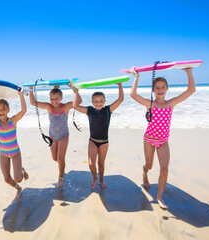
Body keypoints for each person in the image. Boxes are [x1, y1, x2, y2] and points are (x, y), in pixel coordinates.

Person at [130, 67, 196, 209]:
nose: (160, 90)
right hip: (149, 139)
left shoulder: (170, 104)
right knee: (149, 165)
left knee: (164, 170)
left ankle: (159, 197)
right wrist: (137, 76)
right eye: (157, 87)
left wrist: (189, 72)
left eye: (163, 87)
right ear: (153, 90)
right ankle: (144, 173)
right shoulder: (150, 104)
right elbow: (134, 95)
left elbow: (190, 91)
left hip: (163, 142)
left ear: (167, 89)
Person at [72, 82, 124, 189]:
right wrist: (76, 92)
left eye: (101, 101)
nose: (98, 103)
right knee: (91, 164)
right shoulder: (89, 110)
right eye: (95, 101)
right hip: (92, 141)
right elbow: (75, 106)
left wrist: (119, 85)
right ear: (92, 102)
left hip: (104, 142)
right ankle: (94, 177)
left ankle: (101, 179)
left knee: (101, 163)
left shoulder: (108, 110)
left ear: (104, 101)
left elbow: (120, 99)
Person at [29, 85, 79, 186]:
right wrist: (31, 90)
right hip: (52, 135)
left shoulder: (65, 107)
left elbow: (78, 102)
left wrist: (75, 91)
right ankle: (62, 167)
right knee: (55, 159)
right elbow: (33, 103)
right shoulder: (49, 107)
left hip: (64, 135)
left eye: (56, 99)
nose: (54, 101)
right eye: (52, 99)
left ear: (61, 98)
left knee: (60, 159)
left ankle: (60, 177)